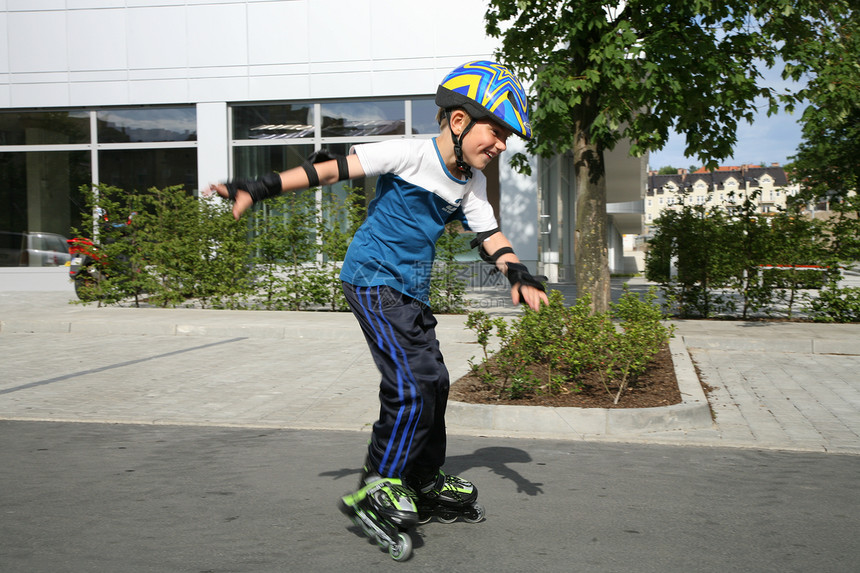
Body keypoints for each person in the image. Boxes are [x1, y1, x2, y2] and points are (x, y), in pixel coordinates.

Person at [209, 60, 548, 559]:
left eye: (505, 138)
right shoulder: (407, 153)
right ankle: (378, 483)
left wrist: (518, 275)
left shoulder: (469, 182)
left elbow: (490, 236)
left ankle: (423, 479)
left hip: (409, 290)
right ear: (458, 122)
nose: (499, 145)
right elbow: (332, 169)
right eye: (494, 132)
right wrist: (258, 188)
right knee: (411, 383)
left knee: (435, 382)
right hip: (370, 279)